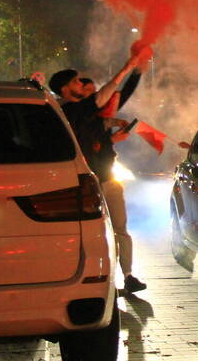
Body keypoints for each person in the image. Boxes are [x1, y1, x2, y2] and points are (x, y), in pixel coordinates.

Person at [49, 47, 150, 294]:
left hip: (106, 179)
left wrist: (136, 72)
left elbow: (117, 96)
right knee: (92, 234)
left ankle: (128, 275)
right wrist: (127, 68)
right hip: (83, 185)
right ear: (66, 89)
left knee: (120, 230)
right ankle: (100, 279)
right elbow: (106, 96)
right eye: (77, 83)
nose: (86, 87)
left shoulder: (88, 113)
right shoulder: (68, 111)